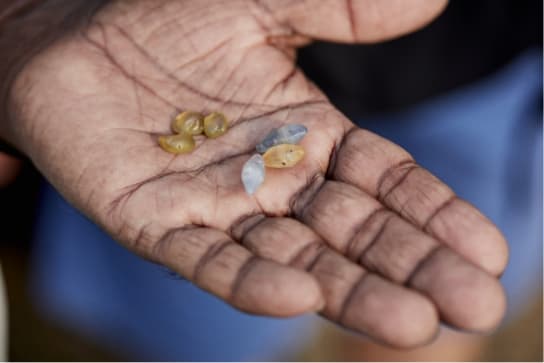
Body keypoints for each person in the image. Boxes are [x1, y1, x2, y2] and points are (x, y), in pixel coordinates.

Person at [1, 0, 518, 360]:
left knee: (430, 287)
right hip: (137, 50)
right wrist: (20, 19)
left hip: (487, 64)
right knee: (212, 327)